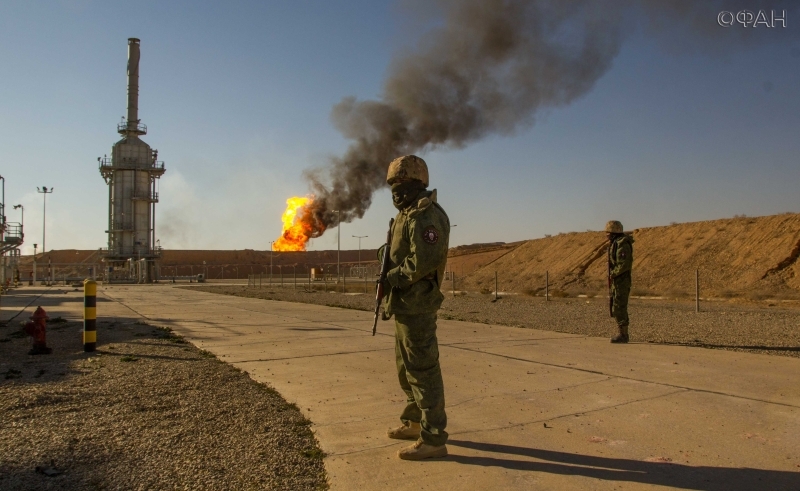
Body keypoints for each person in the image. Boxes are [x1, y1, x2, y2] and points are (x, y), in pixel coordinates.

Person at [381, 155, 450, 460]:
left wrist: (392, 277)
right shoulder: (405, 215)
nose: (397, 190)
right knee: (405, 369)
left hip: (418, 304)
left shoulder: (425, 215)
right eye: (393, 184)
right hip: (404, 305)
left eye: (403, 183)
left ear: (419, 183)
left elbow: (424, 261)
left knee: (423, 371)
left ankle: (433, 437)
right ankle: (413, 421)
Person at [606, 220, 634, 343]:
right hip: (617, 280)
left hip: (621, 281)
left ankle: (624, 335)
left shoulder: (622, 244)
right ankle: (622, 333)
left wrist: (613, 273)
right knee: (616, 306)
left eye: (608, 232)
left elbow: (624, 264)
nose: (606, 235)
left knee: (620, 306)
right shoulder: (616, 243)